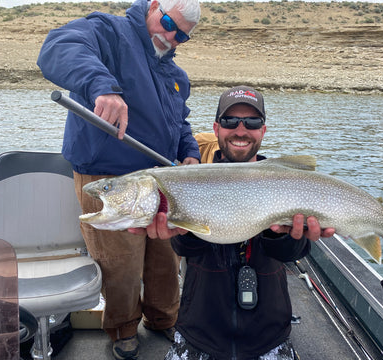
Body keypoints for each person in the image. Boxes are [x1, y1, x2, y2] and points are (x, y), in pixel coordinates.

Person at [36, 1, 201, 359]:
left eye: (182, 35)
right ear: (154, 6)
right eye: (169, 22)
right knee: (120, 264)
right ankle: (124, 328)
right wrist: (102, 85)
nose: (172, 36)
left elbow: (180, 124)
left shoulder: (176, 77)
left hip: (160, 182)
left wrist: (190, 152)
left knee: (165, 258)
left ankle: (163, 318)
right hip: (107, 176)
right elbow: (58, 46)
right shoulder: (110, 33)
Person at [135, 85, 335, 359]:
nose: (241, 130)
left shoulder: (284, 181)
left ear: (263, 130)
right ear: (216, 128)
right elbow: (186, 249)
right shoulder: (191, 181)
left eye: (252, 122)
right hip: (200, 332)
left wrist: (284, 235)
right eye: (231, 121)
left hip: (268, 336)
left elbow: (292, 253)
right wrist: (182, 226)